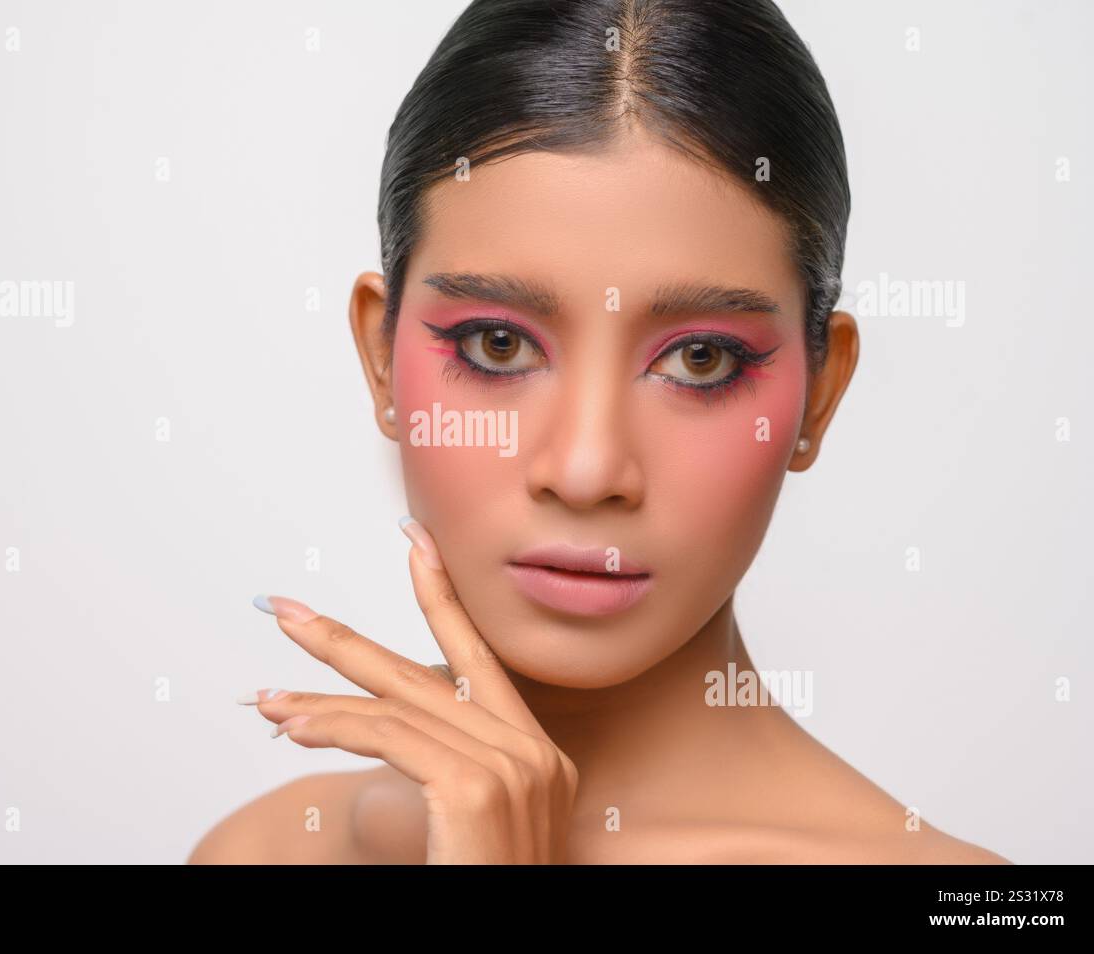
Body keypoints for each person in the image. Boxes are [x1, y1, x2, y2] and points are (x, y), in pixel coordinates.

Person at [189, 0, 1011, 864]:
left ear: (818, 397)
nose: (585, 472)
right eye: (496, 344)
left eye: (700, 359)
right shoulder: (275, 849)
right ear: (382, 359)